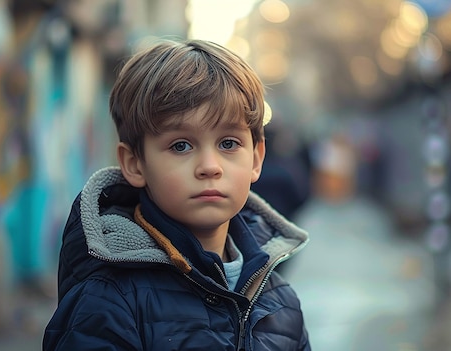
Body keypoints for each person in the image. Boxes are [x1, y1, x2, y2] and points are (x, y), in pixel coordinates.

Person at [43, 38, 310, 350]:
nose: (210, 167)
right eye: (180, 145)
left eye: (228, 143)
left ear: (255, 159)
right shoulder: (108, 301)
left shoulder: (281, 303)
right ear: (135, 163)